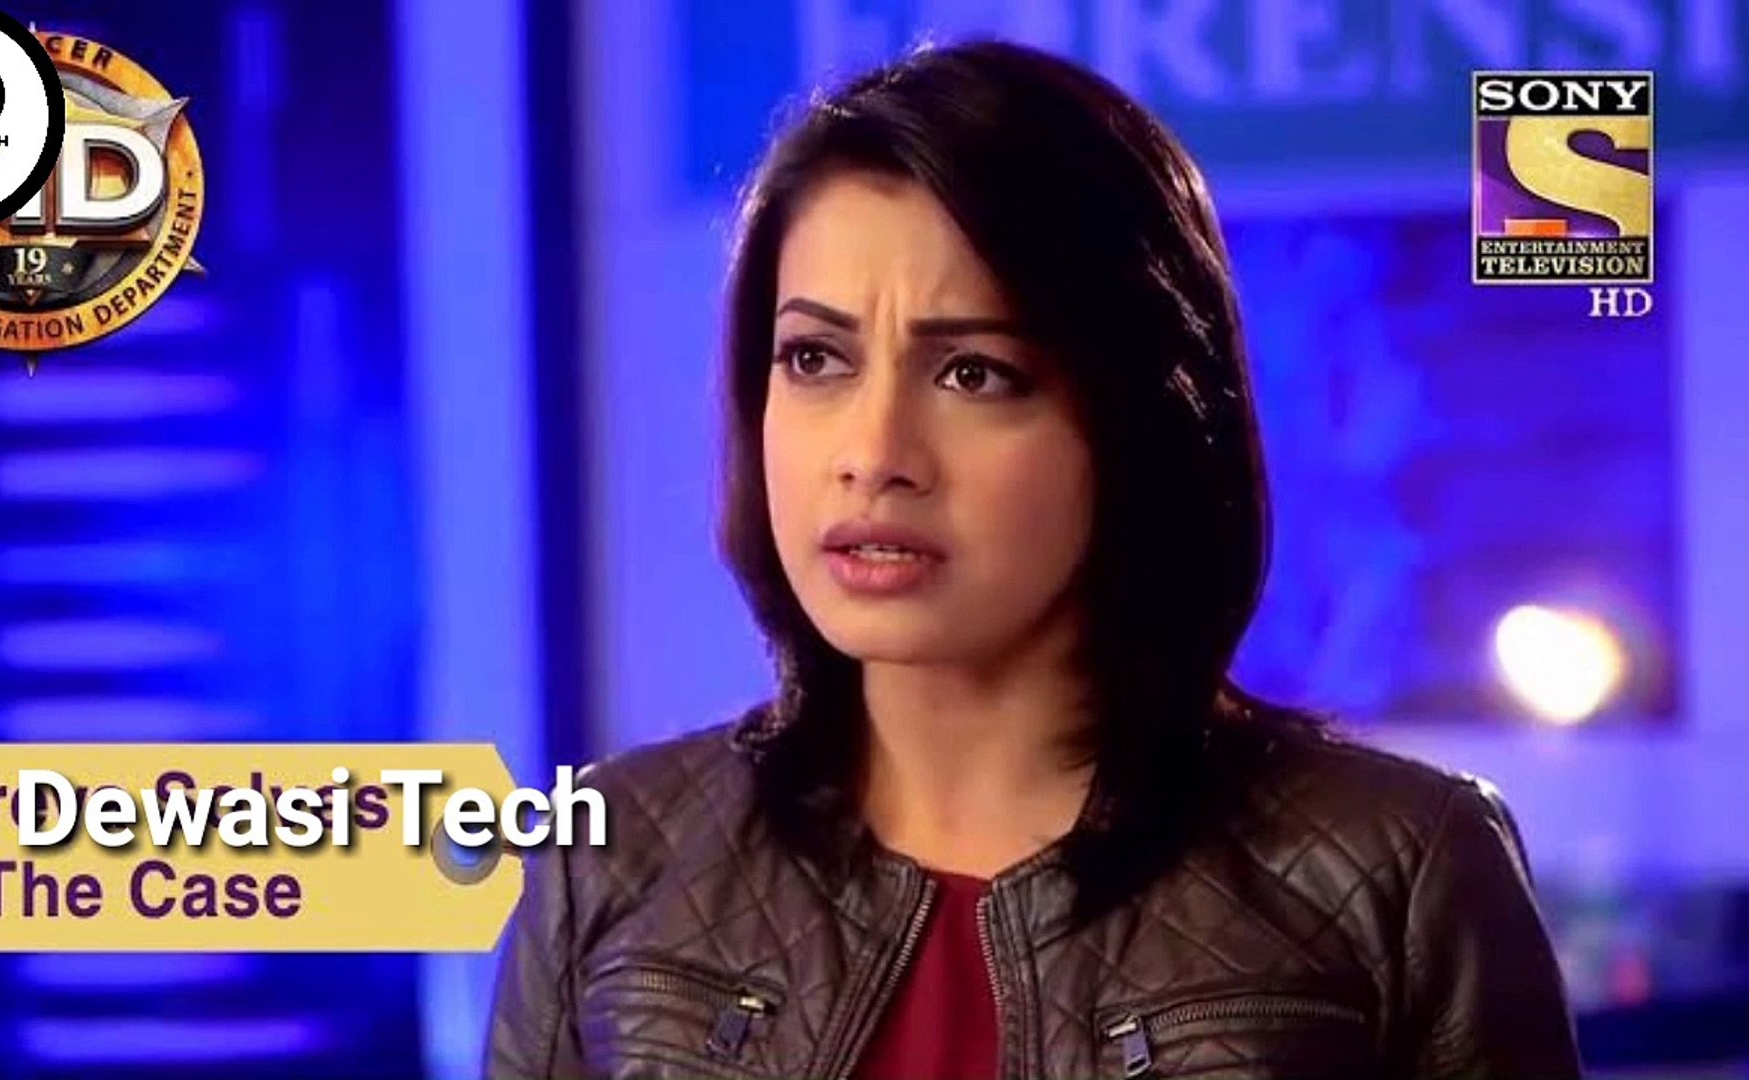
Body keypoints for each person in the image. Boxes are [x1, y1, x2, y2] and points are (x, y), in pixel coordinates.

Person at [485, 39, 1582, 1080]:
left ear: (1137, 418)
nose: (873, 455)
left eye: (974, 373)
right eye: (815, 358)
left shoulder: (1400, 870)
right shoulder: (610, 859)